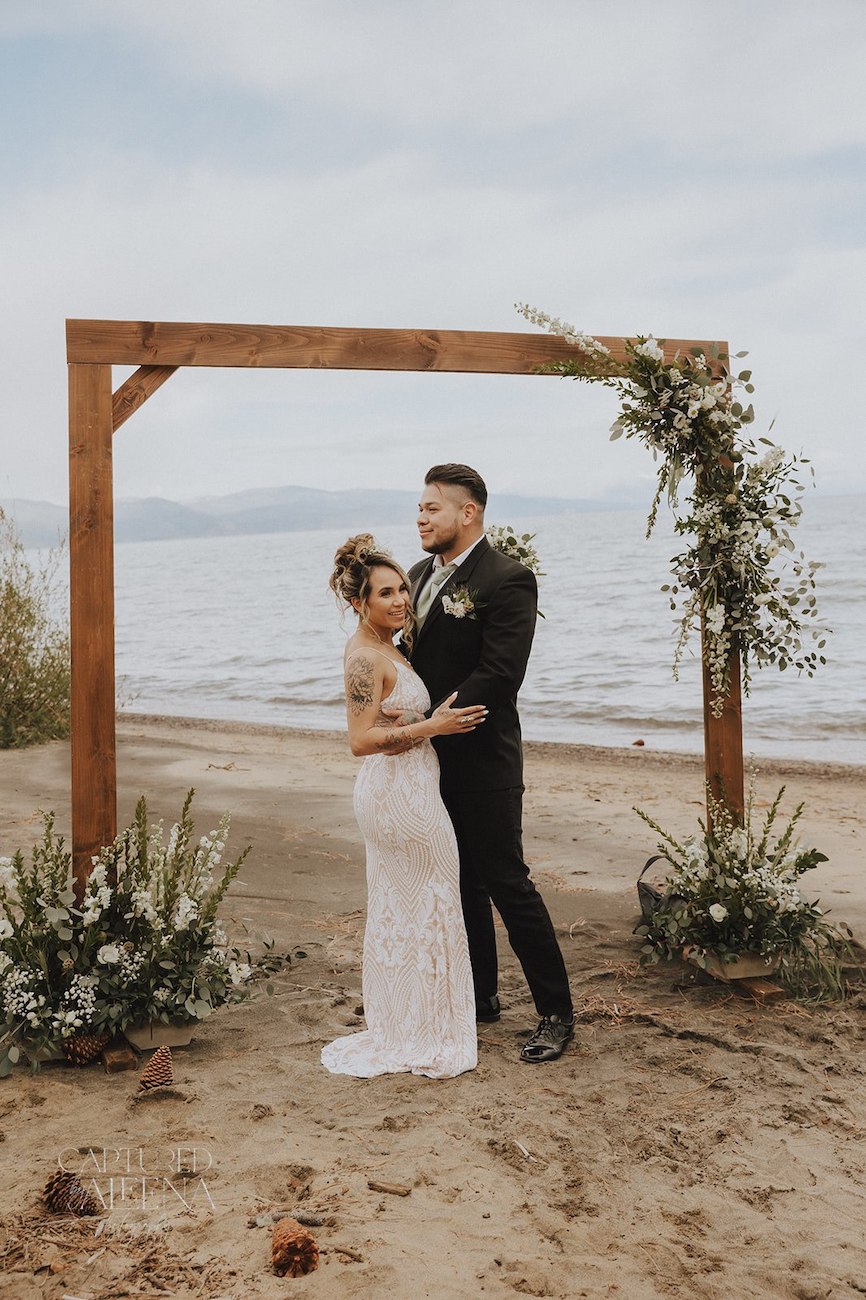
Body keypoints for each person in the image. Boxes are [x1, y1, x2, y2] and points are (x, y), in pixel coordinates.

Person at [388, 464, 574, 1063]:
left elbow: (501, 672)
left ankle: (554, 1014)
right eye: (418, 509)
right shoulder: (414, 577)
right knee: (455, 881)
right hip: (425, 759)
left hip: (484, 757)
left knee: (505, 883)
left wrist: (439, 721)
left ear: (468, 513)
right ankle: (480, 997)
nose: (420, 518)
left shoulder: (507, 579)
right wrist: (402, 715)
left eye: (431, 509)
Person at [321, 534, 486, 1079]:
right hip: (397, 797)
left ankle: (415, 1021)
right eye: (385, 593)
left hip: (411, 787)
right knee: (432, 901)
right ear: (358, 603)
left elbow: (387, 720)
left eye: (402, 590)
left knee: (415, 907)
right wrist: (432, 726)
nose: (399, 601)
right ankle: (422, 1029)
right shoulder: (366, 656)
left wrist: (416, 720)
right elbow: (359, 741)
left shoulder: (386, 646)